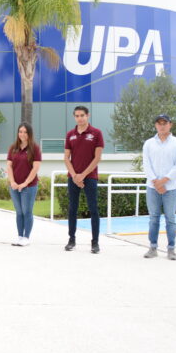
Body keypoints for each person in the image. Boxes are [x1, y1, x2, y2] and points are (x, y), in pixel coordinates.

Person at [142, 114, 176, 261]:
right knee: (153, 218)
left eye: (164, 123)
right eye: (159, 123)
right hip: (152, 187)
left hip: (170, 187)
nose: (162, 126)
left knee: (170, 218)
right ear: (155, 125)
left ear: (170, 125)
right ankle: (153, 248)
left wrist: (164, 181)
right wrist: (156, 182)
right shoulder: (148, 143)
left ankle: (171, 249)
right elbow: (146, 164)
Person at [63, 105, 104, 253]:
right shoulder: (70, 134)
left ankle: (95, 243)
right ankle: (71, 240)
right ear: (74, 117)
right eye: (77, 116)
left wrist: (83, 175)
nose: (80, 118)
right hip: (73, 177)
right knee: (72, 209)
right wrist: (75, 176)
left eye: (82, 115)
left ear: (88, 116)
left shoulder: (96, 133)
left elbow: (97, 158)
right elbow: (66, 158)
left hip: (90, 177)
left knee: (93, 209)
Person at [6, 122, 42, 246]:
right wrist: (12, 182)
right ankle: (20, 236)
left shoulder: (35, 148)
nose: (22, 134)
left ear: (29, 134)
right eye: (20, 132)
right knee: (19, 212)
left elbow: (35, 168)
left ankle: (26, 238)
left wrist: (25, 183)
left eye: (25, 132)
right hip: (14, 186)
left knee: (27, 212)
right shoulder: (13, 148)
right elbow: (9, 166)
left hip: (29, 186)